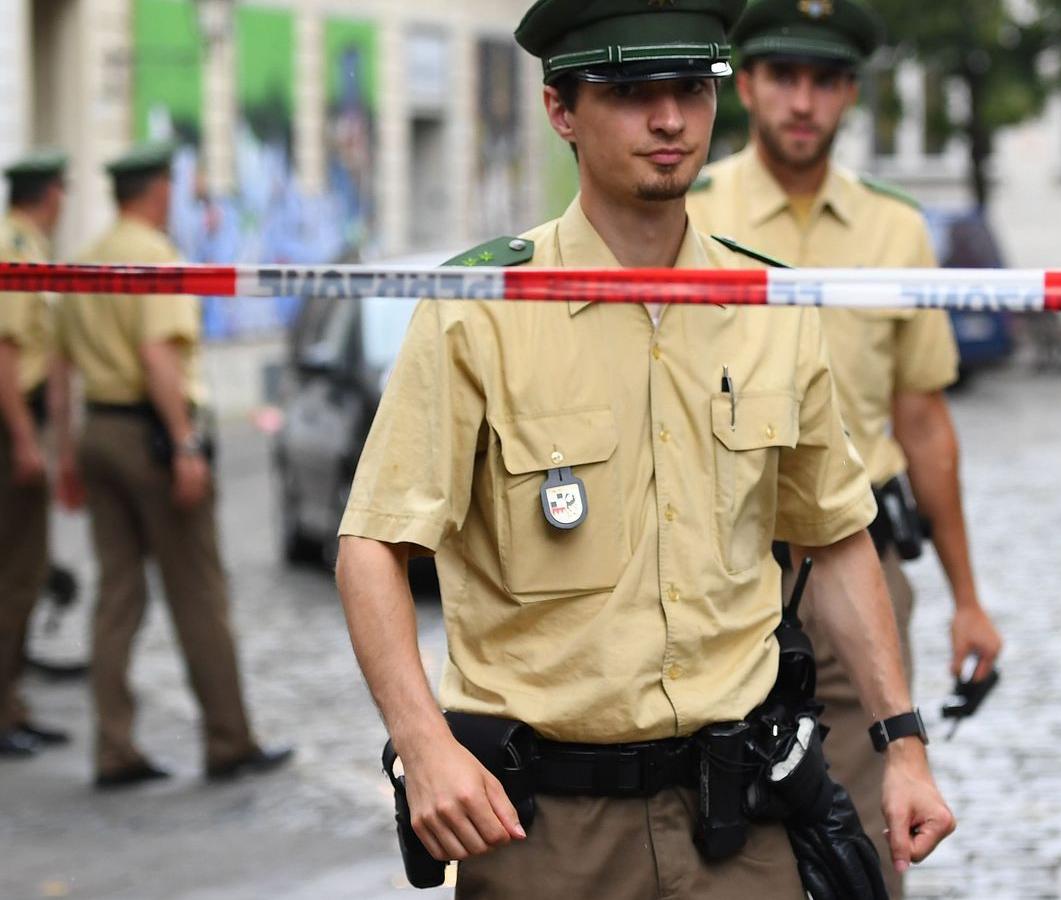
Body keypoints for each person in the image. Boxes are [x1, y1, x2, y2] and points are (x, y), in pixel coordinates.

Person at [333, 1, 954, 897]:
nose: (669, 120)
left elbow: (836, 533)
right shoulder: (482, 308)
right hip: (545, 832)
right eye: (630, 91)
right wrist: (425, 748)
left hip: (738, 826)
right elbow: (372, 547)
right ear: (560, 110)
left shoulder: (769, 304)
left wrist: (903, 746)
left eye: (692, 89)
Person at [687, 2, 1003, 894]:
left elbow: (925, 422)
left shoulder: (895, 230)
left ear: (849, 95)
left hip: (857, 563)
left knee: (874, 835)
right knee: (711, 828)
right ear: (745, 86)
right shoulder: (688, 215)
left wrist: (967, 599)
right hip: (724, 569)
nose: (802, 100)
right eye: (782, 76)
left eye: (823, 81)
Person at [56, 139, 292, 789]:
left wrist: (65, 452)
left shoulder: (84, 259)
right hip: (150, 438)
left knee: (117, 596)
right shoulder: (156, 257)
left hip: (98, 429)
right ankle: (229, 740)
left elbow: (57, 363)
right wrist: (185, 443)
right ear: (159, 189)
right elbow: (159, 354)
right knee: (198, 594)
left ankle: (114, 748)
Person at [0, 149, 76, 758]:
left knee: (22, 574)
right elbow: (4, 352)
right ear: (49, 194)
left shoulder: (25, 241)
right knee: (17, 576)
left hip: (19, 421)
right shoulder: (15, 246)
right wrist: (26, 441)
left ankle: (13, 705)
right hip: (10, 426)